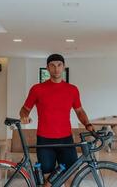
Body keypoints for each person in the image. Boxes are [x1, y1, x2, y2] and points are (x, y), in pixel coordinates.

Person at [19, 53, 94, 187]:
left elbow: (80, 111)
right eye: (52, 66)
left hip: (66, 140)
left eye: (59, 65)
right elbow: (24, 109)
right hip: (44, 141)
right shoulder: (37, 89)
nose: (56, 69)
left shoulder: (72, 90)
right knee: (48, 182)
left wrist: (87, 124)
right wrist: (24, 116)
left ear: (64, 67)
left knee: (71, 178)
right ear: (47, 68)